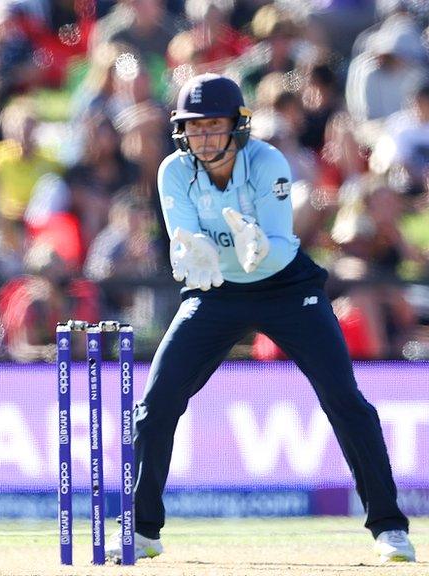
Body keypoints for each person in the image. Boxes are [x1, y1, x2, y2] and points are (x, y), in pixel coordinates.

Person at [111, 73, 415, 564]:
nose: (204, 138)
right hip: (215, 293)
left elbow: (273, 250)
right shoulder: (173, 170)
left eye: (214, 126)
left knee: (346, 401)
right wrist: (195, 256)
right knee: (156, 405)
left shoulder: (267, 161)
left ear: (238, 126)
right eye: (194, 127)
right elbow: (184, 241)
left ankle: (389, 528)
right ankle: (142, 530)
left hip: (285, 287)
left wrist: (258, 248)